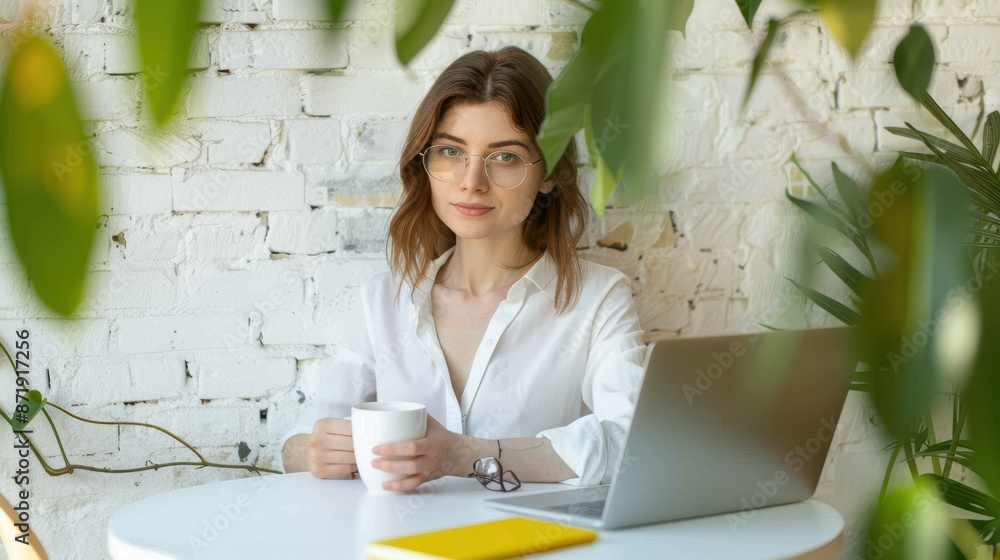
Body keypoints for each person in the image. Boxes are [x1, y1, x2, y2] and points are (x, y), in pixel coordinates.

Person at [278, 46, 646, 491]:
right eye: (451, 152)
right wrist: (314, 450)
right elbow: (297, 441)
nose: (472, 182)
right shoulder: (382, 302)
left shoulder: (598, 298)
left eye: (505, 157)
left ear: (548, 173)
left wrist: (463, 455)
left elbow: (631, 443)